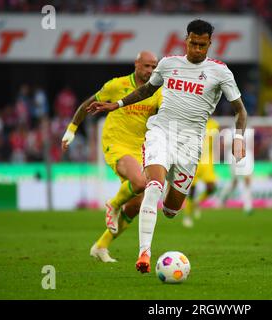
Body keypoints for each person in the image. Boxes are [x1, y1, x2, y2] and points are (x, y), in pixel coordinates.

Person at [88, 19, 247, 273]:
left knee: (172, 210)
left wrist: (239, 139)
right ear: (186, 40)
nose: (197, 49)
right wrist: (116, 104)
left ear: (209, 44)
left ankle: (155, 203)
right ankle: (144, 254)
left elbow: (240, 111)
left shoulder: (220, 72)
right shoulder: (169, 64)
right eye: (193, 43)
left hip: (190, 144)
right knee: (152, 186)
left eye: (202, 45)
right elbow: (146, 91)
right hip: (161, 133)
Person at [61, 51, 162, 262]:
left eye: (154, 67)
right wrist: (71, 130)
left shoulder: (158, 91)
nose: (151, 71)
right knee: (141, 181)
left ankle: (100, 246)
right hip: (116, 144)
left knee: (135, 206)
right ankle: (113, 204)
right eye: (147, 66)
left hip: (141, 149)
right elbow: (85, 105)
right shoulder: (116, 85)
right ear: (136, 64)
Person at [182, 118, 220, 228]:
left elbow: (215, 144)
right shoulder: (192, 121)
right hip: (193, 161)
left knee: (211, 188)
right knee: (192, 190)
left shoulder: (214, 124)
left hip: (207, 162)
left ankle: (196, 203)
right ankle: (187, 216)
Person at [219, 128, 254, 215]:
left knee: (247, 179)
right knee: (234, 182)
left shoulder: (249, 130)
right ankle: (222, 198)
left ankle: (248, 206)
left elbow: (251, 145)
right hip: (234, 156)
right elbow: (225, 144)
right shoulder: (230, 131)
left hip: (247, 156)